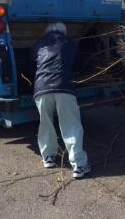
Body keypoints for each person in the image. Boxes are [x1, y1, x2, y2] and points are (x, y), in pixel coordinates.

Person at [30, 22, 90, 179]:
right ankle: (79, 165)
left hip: (41, 90)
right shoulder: (70, 44)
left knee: (46, 123)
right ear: (64, 32)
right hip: (64, 88)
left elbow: (29, 66)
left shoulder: (39, 45)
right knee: (71, 125)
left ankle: (48, 157)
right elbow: (80, 64)